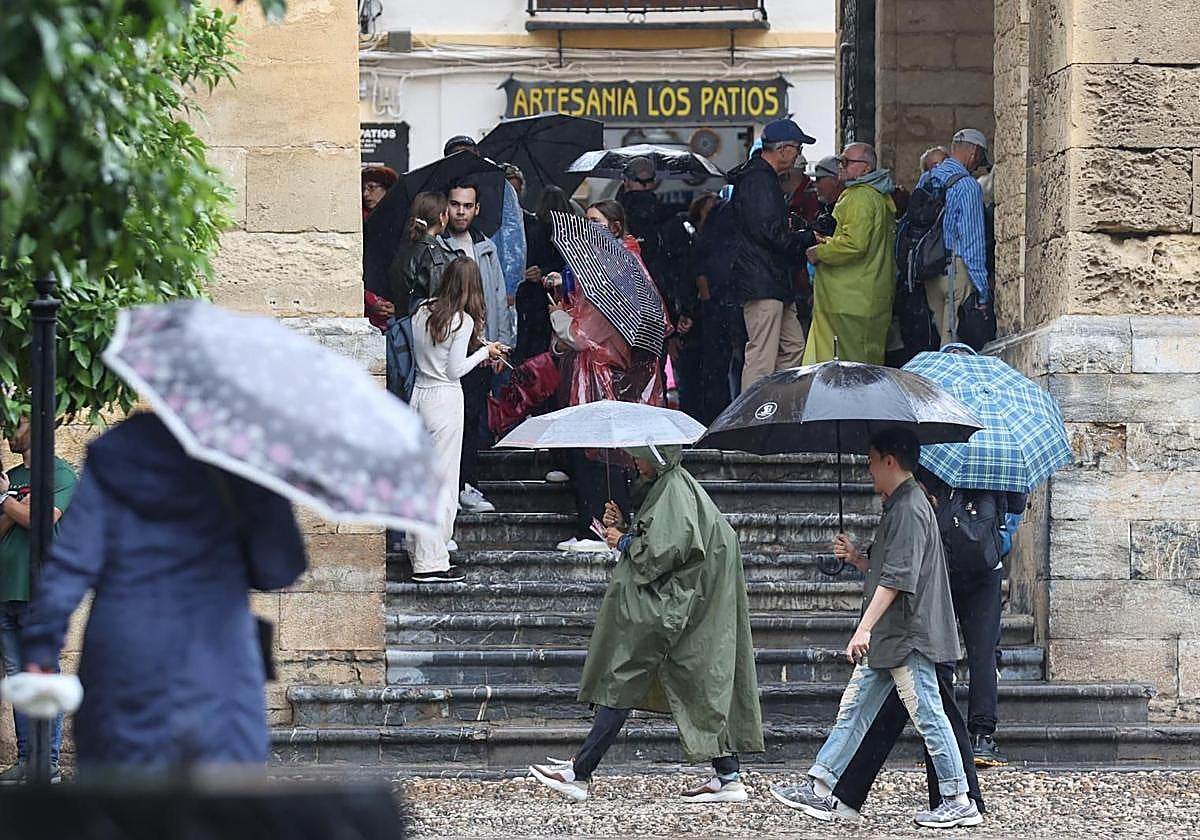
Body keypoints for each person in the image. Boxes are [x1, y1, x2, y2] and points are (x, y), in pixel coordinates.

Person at [18, 412, 307, 769]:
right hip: (218, 662)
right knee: (223, 812)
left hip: (125, 657)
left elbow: (71, 561)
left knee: (122, 808)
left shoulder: (119, 452)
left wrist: (42, 647)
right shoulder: (245, 455)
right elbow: (276, 570)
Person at [769, 428, 981, 829]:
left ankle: (958, 798)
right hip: (893, 634)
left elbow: (899, 580)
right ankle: (819, 785)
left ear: (889, 461)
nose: (867, 469)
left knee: (929, 714)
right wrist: (857, 561)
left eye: (870, 460)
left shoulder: (909, 508)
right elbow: (892, 571)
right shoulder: (902, 505)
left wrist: (862, 628)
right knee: (854, 711)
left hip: (906, 635)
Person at [529, 445, 762, 802]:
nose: (634, 463)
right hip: (689, 604)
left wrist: (622, 540)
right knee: (696, 682)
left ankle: (579, 773)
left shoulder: (673, 490)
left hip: (672, 606)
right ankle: (728, 775)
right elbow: (666, 539)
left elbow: (665, 551)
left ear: (656, 456)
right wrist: (622, 525)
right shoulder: (673, 486)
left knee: (624, 678)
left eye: (638, 457)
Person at [546, 205, 666, 552]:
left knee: (598, 454)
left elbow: (582, 334)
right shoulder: (619, 271)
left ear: (614, 227)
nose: (589, 227)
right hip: (607, 376)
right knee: (603, 453)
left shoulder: (613, 279)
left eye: (596, 222)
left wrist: (557, 316)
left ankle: (597, 529)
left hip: (600, 379)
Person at [408, 257, 509, 583]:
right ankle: (432, 561)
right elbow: (454, 370)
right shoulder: (462, 321)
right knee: (444, 484)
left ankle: (417, 549)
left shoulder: (421, 311)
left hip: (418, 396)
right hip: (445, 398)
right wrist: (484, 352)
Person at [0, 416, 74, 784]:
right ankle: (28, 761)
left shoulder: (59, 474)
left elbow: (42, 520)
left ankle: (48, 764)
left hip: (39, 592)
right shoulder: (12, 477)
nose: (8, 430)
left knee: (42, 676)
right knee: (18, 679)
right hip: (5, 592)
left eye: (16, 423)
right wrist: (15, 506)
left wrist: (6, 502)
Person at [439, 179, 514, 515]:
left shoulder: (486, 246)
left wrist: (501, 344)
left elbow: (497, 297)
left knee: (472, 421)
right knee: (449, 423)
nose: (461, 212)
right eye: (456, 204)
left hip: (481, 349)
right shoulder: (439, 247)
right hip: (448, 347)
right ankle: (449, 487)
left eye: (467, 206)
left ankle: (466, 484)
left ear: (477, 209)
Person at [726, 118, 816, 390]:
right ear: (783, 149)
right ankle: (752, 419)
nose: (799, 154)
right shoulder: (759, 181)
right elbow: (769, 232)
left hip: (771, 279)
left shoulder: (761, 179)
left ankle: (772, 402)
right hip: (762, 278)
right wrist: (806, 237)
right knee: (761, 354)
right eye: (798, 148)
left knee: (793, 346)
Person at [802, 143, 897, 365]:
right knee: (867, 365)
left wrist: (820, 251)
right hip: (868, 295)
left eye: (846, 162)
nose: (840, 166)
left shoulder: (859, 197)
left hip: (849, 298)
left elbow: (855, 244)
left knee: (847, 370)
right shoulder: (878, 196)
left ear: (866, 169)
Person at [918, 129, 992, 345]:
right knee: (955, 346)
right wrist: (982, 291)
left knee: (937, 343)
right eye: (979, 159)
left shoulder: (928, 177)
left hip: (930, 272)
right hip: (956, 271)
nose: (977, 166)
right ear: (974, 152)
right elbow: (972, 243)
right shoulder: (968, 186)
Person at [387, 191, 454, 315]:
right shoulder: (434, 255)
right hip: (424, 327)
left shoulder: (406, 248)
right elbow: (438, 302)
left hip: (402, 324)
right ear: (442, 217)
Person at [362, 166, 400, 331]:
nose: (365, 194)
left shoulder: (400, 221)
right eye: (363, 188)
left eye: (371, 188)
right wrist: (370, 300)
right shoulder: (361, 222)